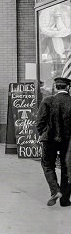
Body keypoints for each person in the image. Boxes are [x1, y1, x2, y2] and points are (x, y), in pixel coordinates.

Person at [35, 75, 71, 206]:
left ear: (56, 87)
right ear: (68, 87)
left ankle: (55, 190)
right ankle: (65, 200)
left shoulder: (47, 100)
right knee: (67, 168)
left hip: (49, 138)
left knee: (47, 164)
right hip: (68, 140)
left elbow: (39, 122)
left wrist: (42, 133)